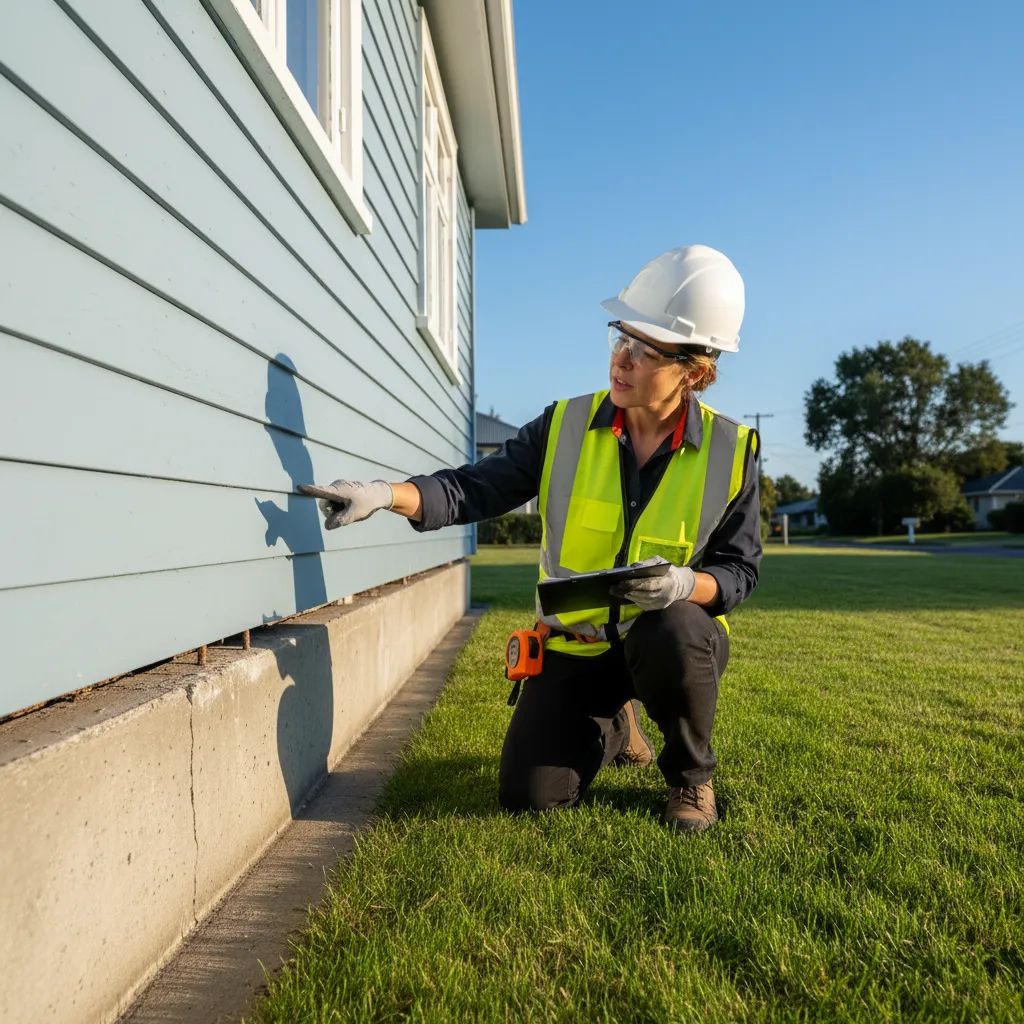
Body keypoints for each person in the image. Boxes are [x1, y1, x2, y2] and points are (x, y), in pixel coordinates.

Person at [299, 245, 761, 833]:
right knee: (529, 796)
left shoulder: (731, 452)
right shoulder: (565, 426)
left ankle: (691, 781)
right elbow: (476, 488)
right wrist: (386, 494)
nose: (622, 359)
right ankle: (618, 722)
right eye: (621, 337)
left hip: (671, 639)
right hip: (576, 645)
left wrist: (680, 584)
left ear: (694, 370)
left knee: (671, 628)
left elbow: (738, 571)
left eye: (648, 351)